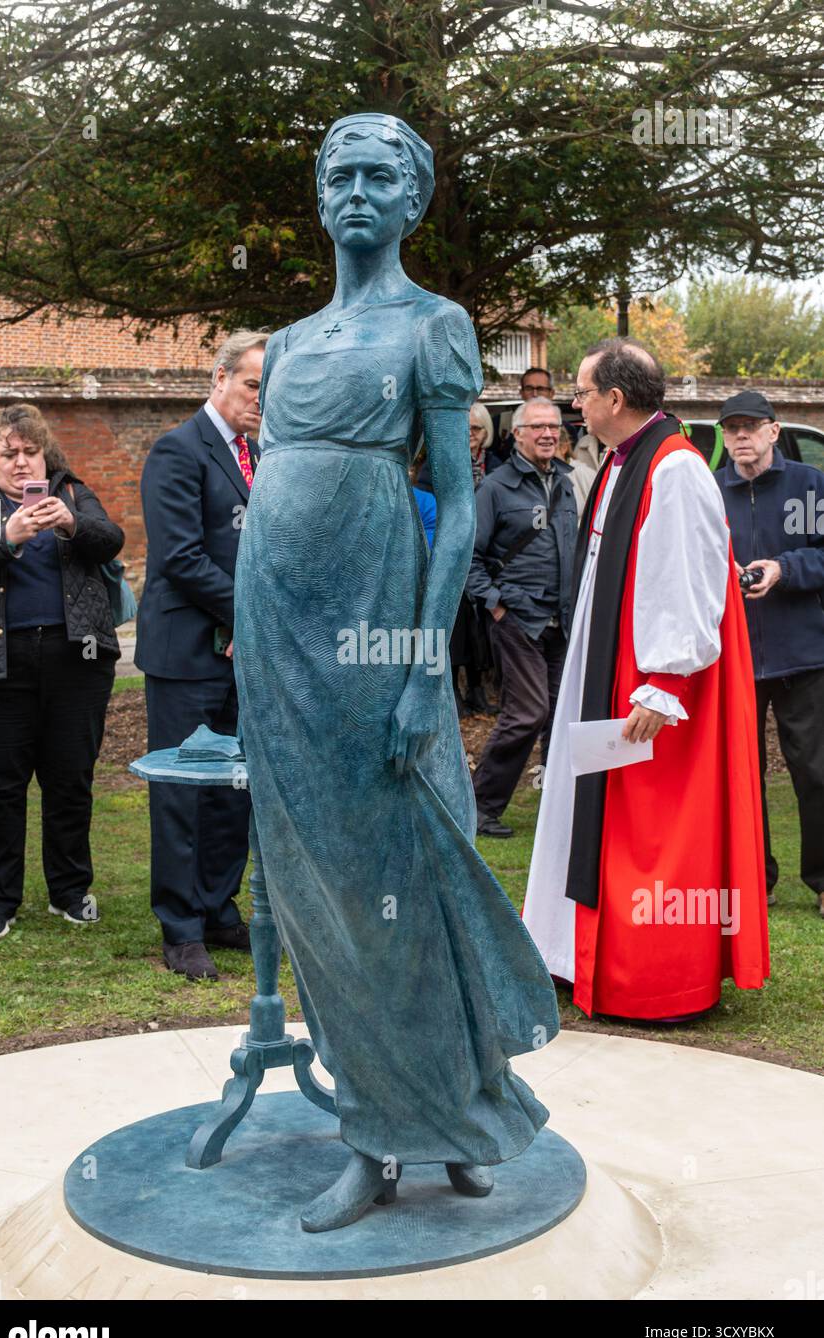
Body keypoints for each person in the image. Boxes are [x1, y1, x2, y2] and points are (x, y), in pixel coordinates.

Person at [235, 112, 558, 1234]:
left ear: (411, 199)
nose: (358, 192)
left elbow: (461, 509)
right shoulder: (284, 342)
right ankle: (388, 1119)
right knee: (319, 881)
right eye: (341, 175)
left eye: (381, 175)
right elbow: (275, 487)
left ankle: (440, 1110)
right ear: (320, 197)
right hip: (278, 631)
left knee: (405, 867)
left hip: (380, 624)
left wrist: (425, 666)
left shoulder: (435, 325)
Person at [522, 340, 769, 1021]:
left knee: (648, 824)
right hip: (602, 662)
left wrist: (663, 683)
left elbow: (688, 579)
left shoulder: (676, 469)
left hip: (649, 678)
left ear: (615, 400)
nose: (575, 403)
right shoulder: (625, 462)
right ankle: (569, 953)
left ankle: (652, 977)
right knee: (585, 810)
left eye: (582, 392)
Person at [0, 404, 123, 939]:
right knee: (1, 786)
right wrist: (7, 538)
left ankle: (70, 892)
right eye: (10, 454)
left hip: (76, 660)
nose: (22, 463)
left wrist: (72, 524)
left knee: (69, 780)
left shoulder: (69, 493)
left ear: (45, 454)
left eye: (31, 452)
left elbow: (111, 539)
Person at [135, 329, 267, 981]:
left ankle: (219, 910)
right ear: (218, 379)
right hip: (187, 653)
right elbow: (181, 557)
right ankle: (181, 926)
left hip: (243, 658)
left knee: (232, 791)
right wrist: (246, 614)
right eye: (251, 384)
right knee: (184, 791)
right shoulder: (176, 451)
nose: (259, 399)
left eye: (269, 390)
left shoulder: (259, 455)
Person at [714, 390, 824, 918]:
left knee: (815, 770)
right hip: (733, 656)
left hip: (803, 653)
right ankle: (756, 880)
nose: (740, 436)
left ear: (774, 431)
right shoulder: (711, 492)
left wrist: (783, 569)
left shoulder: (810, 486)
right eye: (731, 428)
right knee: (742, 775)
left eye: (750, 426)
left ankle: (823, 881)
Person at [465, 398, 577, 836]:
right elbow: (467, 557)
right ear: (517, 434)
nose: (548, 433)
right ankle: (478, 805)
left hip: (562, 619)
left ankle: (559, 806)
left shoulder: (568, 482)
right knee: (528, 711)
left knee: (562, 715)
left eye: (554, 427)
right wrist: (494, 602)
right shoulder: (495, 488)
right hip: (516, 618)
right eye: (538, 427)